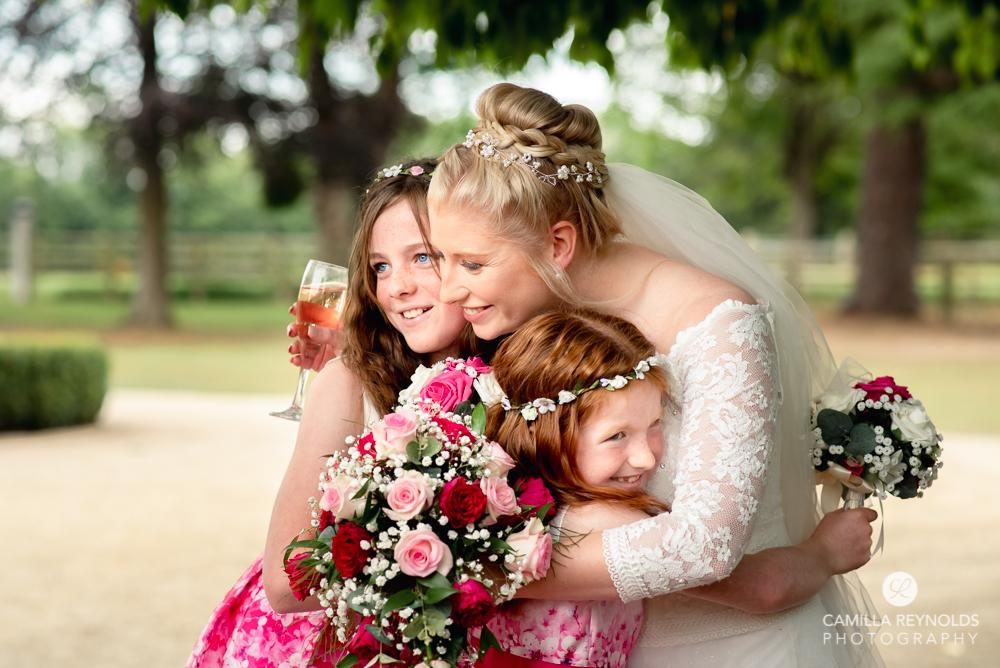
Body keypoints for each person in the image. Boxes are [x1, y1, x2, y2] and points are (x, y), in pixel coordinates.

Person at [426, 83, 883, 667]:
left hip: (735, 650)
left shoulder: (718, 324)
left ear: (558, 243)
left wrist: (459, 565)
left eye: (471, 263)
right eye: (440, 257)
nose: (447, 287)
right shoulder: (524, 315)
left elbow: (704, 548)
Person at [185, 158, 477, 667]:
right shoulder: (347, 381)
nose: (397, 287)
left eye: (423, 258)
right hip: (319, 646)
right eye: (380, 266)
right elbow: (285, 579)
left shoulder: (518, 383)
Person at [480, 309, 862, 668]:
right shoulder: (610, 519)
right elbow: (765, 588)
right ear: (545, 435)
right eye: (617, 436)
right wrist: (827, 551)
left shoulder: (510, 508)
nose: (647, 458)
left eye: (656, 424)